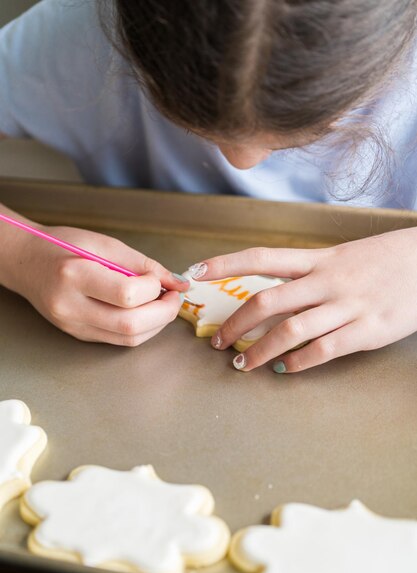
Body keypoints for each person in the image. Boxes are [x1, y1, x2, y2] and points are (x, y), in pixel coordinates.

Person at [0, 0, 417, 373]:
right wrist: (20, 253)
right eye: (190, 121)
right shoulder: (81, 29)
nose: (241, 161)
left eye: (311, 134)